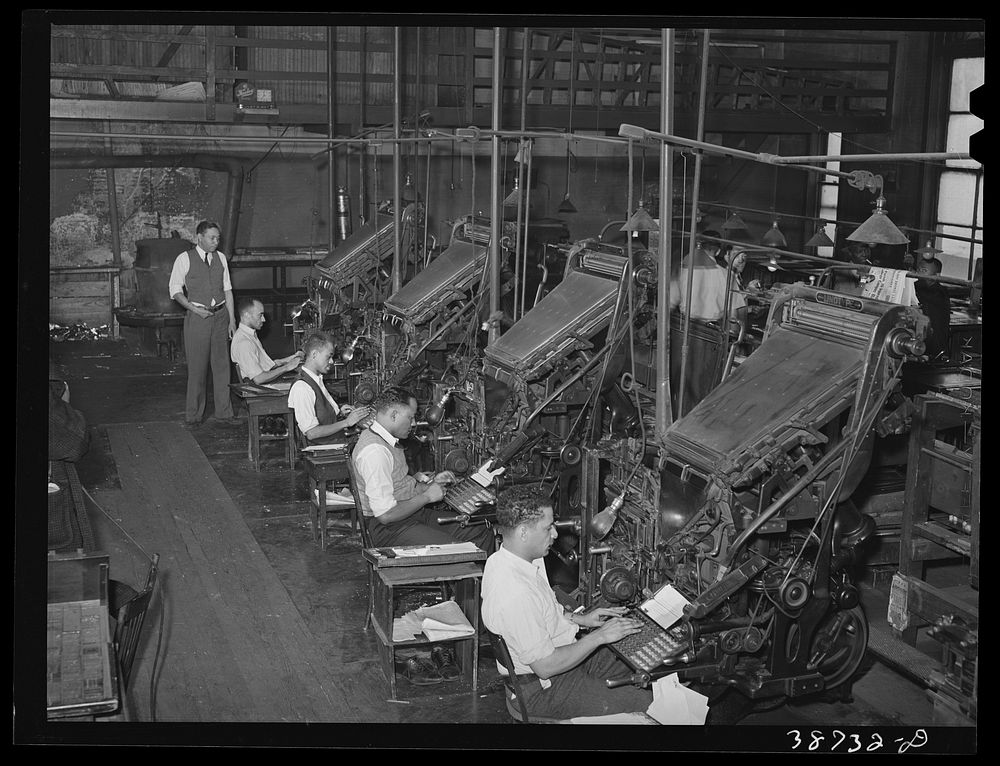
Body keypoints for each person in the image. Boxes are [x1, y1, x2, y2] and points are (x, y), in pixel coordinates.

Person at [481, 488, 654, 720]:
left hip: (558, 660)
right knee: (651, 704)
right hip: (545, 688)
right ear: (523, 532)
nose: (554, 534)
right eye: (547, 527)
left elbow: (545, 612)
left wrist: (581, 620)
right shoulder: (515, 593)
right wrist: (599, 636)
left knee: (639, 649)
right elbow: (545, 666)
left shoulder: (507, 559)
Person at [351, 385, 495, 553]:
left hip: (407, 513)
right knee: (461, 550)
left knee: (480, 531)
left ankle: (477, 578)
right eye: (410, 417)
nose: (413, 423)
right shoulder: (375, 452)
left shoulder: (385, 439)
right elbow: (385, 515)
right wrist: (427, 496)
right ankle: (462, 575)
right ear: (394, 415)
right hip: (389, 528)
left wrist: (431, 485)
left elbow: (400, 485)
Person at [168, 220, 237, 426]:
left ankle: (224, 412)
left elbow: (227, 290)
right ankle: (194, 415)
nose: (216, 242)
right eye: (212, 238)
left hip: (221, 316)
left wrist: (232, 320)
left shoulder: (221, 258)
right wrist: (194, 309)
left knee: (222, 366)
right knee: (197, 369)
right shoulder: (184, 259)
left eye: (218, 238)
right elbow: (175, 290)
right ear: (199, 238)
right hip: (198, 317)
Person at [669, 231, 745, 415]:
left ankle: (677, 417)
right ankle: (696, 420)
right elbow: (735, 315)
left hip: (683, 330)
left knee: (680, 383)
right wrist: (736, 341)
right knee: (704, 387)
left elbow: (669, 303)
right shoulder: (725, 275)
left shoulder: (681, 269)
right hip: (711, 336)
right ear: (718, 251)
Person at [287, 332, 370, 444]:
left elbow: (320, 413)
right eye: (329, 356)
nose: (331, 361)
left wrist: (339, 412)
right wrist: (346, 422)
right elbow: (311, 433)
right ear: (314, 354)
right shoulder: (302, 387)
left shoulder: (316, 379)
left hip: (334, 440)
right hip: (324, 448)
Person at [231, 297, 304, 384]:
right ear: (247, 315)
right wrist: (286, 367)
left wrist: (291, 358)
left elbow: (267, 366)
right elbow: (259, 379)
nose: (263, 319)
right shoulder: (244, 343)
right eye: (260, 315)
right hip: (257, 390)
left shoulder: (249, 335)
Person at [913, 257, 951, 361]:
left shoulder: (939, 292)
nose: (919, 272)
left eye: (924, 270)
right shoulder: (921, 287)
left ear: (936, 276)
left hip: (935, 346)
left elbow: (921, 292)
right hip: (922, 339)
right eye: (919, 269)